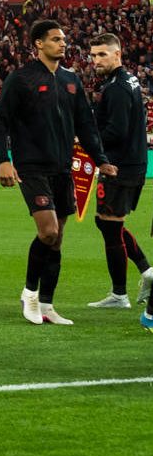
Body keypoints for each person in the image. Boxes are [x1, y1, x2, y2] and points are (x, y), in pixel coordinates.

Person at [0, 19, 116, 325]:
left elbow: (85, 126)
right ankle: (29, 293)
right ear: (38, 44)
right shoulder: (21, 79)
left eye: (63, 39)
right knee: (48, 231)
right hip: (31, 166)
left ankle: (47, 305)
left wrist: (100, 159)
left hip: (63, 167)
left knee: (57, 239)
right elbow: (1, 121)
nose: (63, 43)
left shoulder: (70, 80)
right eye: (56, 39)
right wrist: (2, 160)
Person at [84, 33, 152, 310]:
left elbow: (116, 131)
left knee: (110, 226)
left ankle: (119, 295)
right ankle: (147, 272)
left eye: (102, 54)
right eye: (93, 55)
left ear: (117, 54)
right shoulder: (128, 81)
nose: (96, 60)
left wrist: (88, 141)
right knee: (107, 222)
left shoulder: (117, 88)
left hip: (120, 166)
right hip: (131, 162)